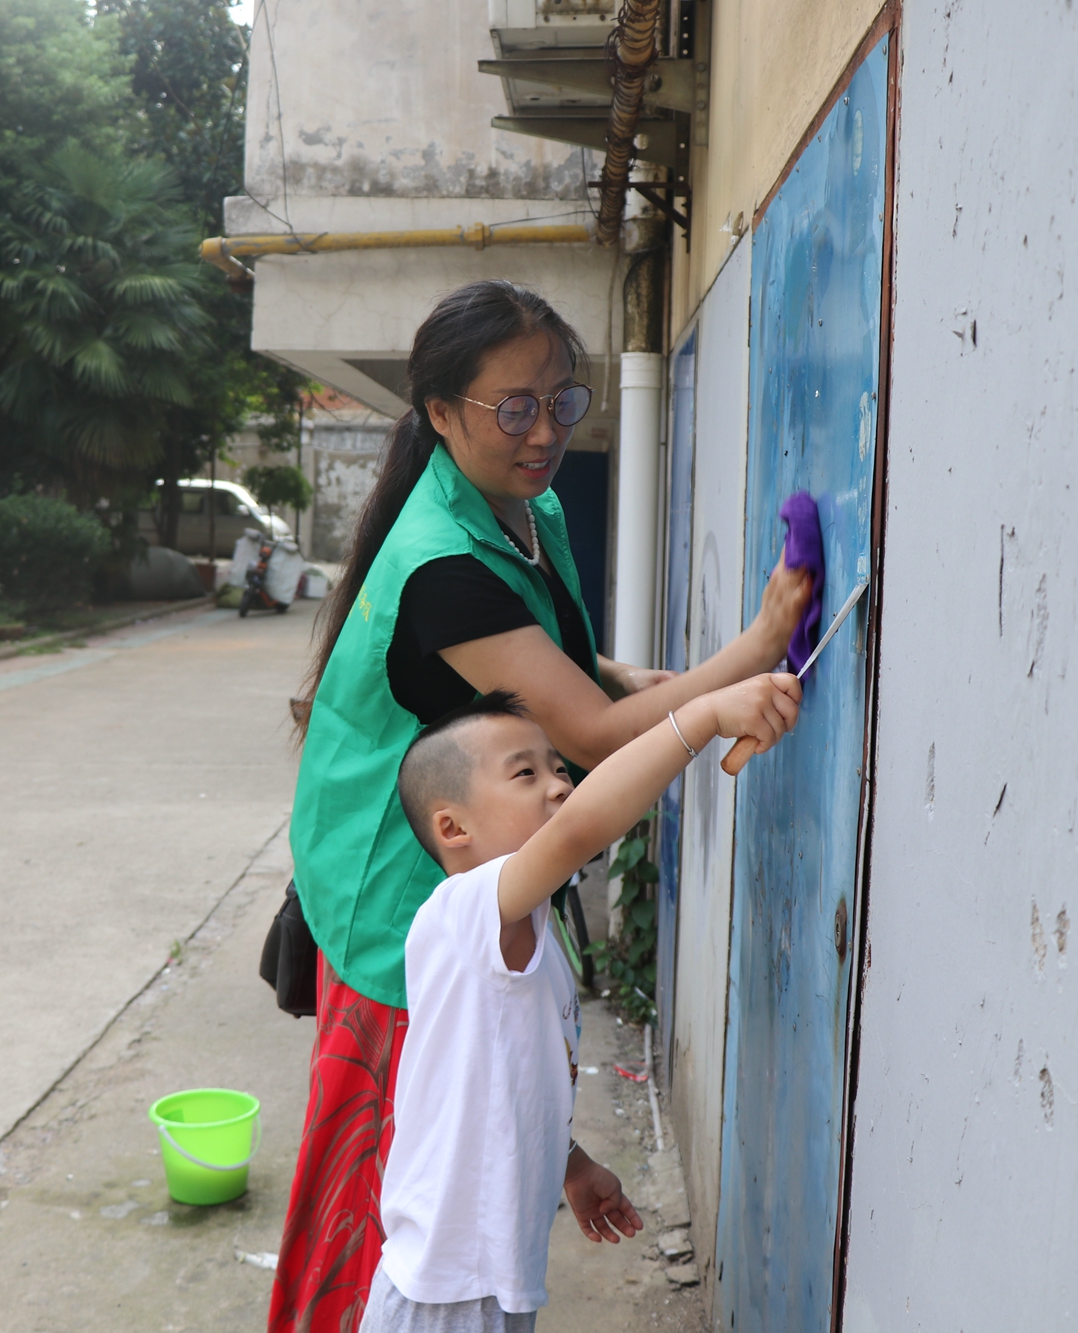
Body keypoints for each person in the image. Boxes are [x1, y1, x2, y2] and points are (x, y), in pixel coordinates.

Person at [272, 279, 812, 1332]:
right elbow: (593, 741)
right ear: (440, 413)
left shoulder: (522, 506)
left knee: (460, 1117)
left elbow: (558, 663)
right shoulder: (440, 569)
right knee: (384, 1215)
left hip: (447, 862)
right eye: (511, 407)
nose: (544, 431)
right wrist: (740, 667)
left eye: (561, 400)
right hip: (397, 902)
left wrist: (654, 677)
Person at [365, 678, 800, 1331]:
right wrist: (704, 716)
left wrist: (568, 1162)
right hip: (445, 1291)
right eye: (525, 773)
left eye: (561, 769)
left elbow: (505, 1082)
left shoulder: (531, 935)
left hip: (487, 1281)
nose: (560, 787)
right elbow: (577, 829)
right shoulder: (460, 913)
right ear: (453, 827)